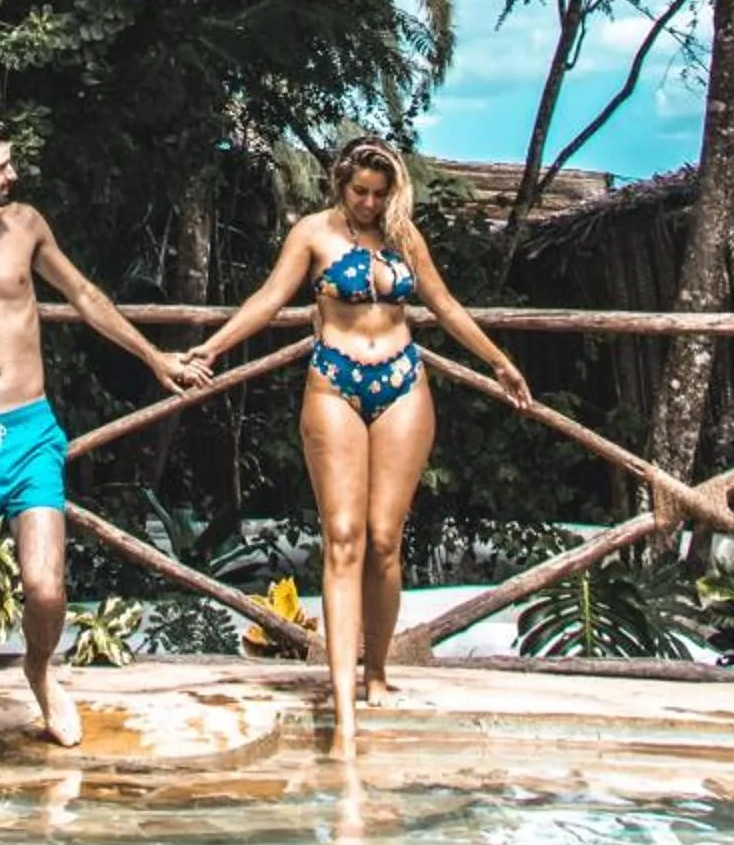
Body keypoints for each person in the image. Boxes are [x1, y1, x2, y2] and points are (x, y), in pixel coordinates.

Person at [0, 113, 206, 766]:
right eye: (3, 166)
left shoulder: (25, 225)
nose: (14, 174)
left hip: (29, 431)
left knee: (47, 586)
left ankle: (37, 668)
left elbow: (83, 293)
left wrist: (154, 357)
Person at [194, 136, 532, 760]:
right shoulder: (313, 234)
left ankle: (376, 667)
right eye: (360, 193)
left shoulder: (403, 236)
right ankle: (343, 707)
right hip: (335, 382)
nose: (370, 204)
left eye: (380, 194)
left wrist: (499, 362)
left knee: (383, 539)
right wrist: (212, 348)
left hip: (403, 380)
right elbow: (269, 299)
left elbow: (444, 304)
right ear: (340, 186)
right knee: (342, 537)